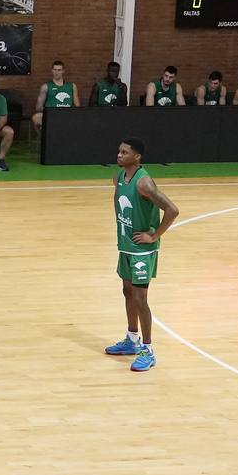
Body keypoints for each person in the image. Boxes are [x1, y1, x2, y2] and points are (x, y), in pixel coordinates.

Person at [103, 137, 180, 372]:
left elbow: (172, 210)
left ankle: (148, 349)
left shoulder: (143, 183)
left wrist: (154, 236)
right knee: (127, 292)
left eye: (125, 152)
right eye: (119, 151)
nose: (119, 155)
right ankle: (132, 339)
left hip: (142, 251)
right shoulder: (118, 178)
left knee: (140, 298)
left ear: (137, 157)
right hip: (126, 245)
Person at [32, 60, 79, 133]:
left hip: (67, 114)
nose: (57, 72)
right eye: (55, 70)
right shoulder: (45, 86)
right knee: (36, 117)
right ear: (52, 71)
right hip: (51, 115)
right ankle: (44, 140)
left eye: (59, 70)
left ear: (63, 71)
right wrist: (50, 110)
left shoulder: (72, 86)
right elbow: (38, 108)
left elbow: (77, 106)